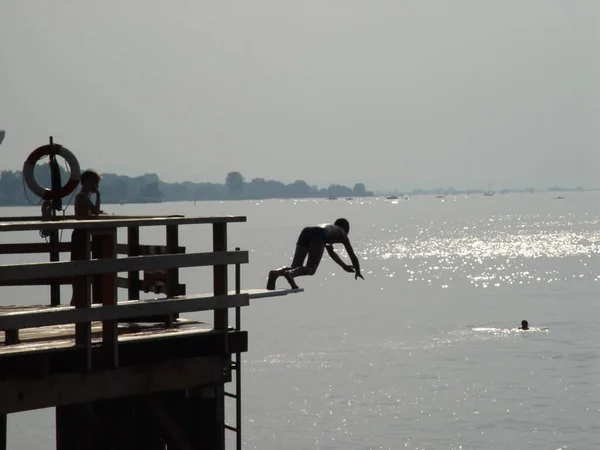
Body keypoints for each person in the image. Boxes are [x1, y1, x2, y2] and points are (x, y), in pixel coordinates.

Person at [266, 218, 364, 290]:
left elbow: (332, 254)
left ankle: (275, 273)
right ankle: (291, 274)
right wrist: (358, 271)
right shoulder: (342, 233)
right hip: (319, 234)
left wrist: (344, 266)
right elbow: (352, 255)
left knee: (295, 266)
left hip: (306, 231)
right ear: (347, 228)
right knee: (311, 268)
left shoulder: (331, 229)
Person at [70, 169, 105, 306]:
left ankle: (78, 300)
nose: (97, 187)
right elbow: (95, 210)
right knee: (79, 267)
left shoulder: (84, 196)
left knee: (82, 267)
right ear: (88, 182)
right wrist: (99, 196)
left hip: (83, 234)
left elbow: (92, 211)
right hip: (80, 234)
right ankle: (76, 301)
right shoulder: (82, 196)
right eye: (96, 184)